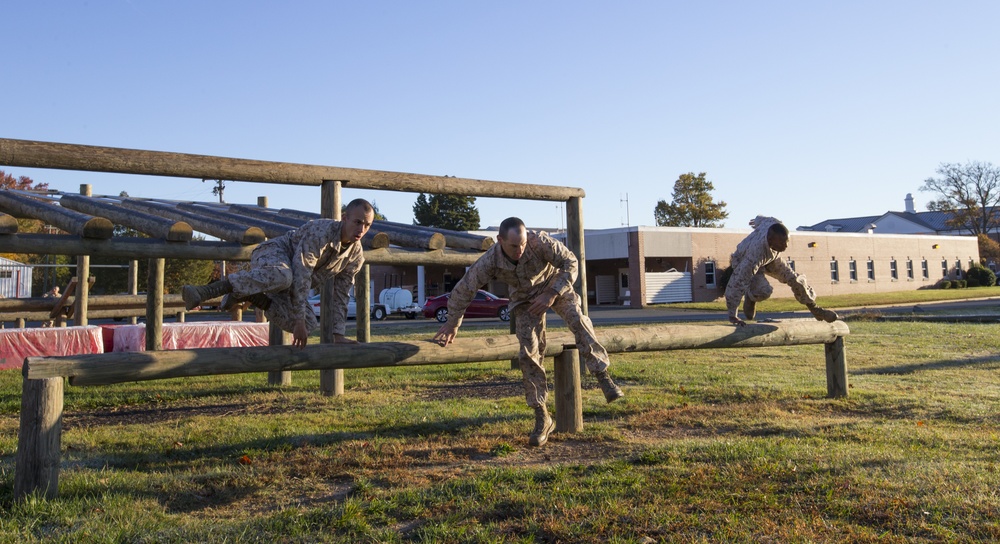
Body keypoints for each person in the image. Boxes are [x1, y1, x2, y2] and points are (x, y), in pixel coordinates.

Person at [433, 217, 624, 447]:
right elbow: (465, 288)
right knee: (529, 351)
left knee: (578, 320)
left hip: (554, 286)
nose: (520, 250)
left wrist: (552, 293)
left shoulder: (541, 242)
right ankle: (542, 416)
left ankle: (603, 376)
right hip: (524, 300)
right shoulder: (489, 261)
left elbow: (570, 262)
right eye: (514, 246)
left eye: (522, 244)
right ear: (500, 240)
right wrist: (453, 322)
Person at [182, 198, 375, 348]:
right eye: (357, 222)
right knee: (285, 276)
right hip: (274, 255)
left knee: (309, 324)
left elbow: (341, 294)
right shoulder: (320, 232)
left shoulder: (355, 256)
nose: (361, 229)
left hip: (289, 282)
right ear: (344, 218)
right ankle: (204, 292)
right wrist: (297, 319)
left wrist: (338, 335)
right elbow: (302, 272)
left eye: (367, 225)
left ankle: (256, 298)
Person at [726, 215, 838, 326]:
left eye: (787, 241)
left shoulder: (774, 223)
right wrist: (733, 316)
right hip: (743, 259)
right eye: (781, 243)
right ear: (770, 240)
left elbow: (765, 219)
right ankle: (751, 296)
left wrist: (756, 220)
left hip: (771, 258)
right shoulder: (753, 258)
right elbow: (737, 284)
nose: (785, 246)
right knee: (764, 291)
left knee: (794, 279)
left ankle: (815, 309)